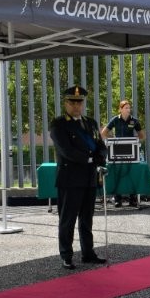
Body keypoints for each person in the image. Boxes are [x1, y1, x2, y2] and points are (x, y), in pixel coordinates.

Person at [49, 86, 108, 269]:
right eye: (72, 102)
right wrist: (90, 158)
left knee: (86, 218)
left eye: (79, 102)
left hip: (89, 177)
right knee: (68, 219)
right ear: (65, 103)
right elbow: (66, 151)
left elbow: (100, 145)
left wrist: (101, 156)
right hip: (70, 178)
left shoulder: (90, 123)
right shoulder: (59, 124)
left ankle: (88, 253)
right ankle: (66, 255)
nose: (76, 106)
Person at [100, 99, 145, 207]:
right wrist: (113, 139)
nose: (128, 110)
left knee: (131, 173)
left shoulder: (134, 121)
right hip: (117, 150)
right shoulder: (115, 119)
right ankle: (117, 198)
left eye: (129, 108)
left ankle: (133, 199)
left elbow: (142, 136)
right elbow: (104, 133)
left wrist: (135, 140)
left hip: (130, 150)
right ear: (120, 109)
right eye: (126, 108)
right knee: (117, 173)